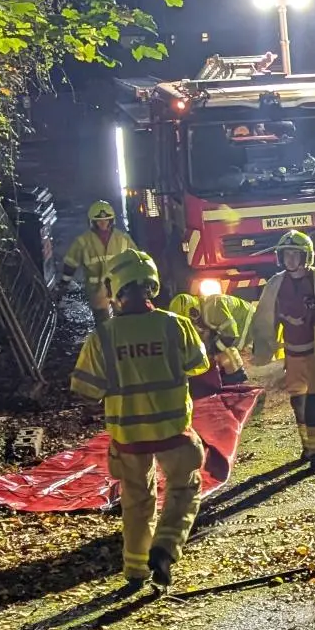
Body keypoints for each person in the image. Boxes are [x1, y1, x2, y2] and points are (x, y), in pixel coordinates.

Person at [69, 248, 211, 590]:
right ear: (151, 285)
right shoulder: (176, 325)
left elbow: (86, 390)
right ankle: (165, 547)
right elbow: (199, 365)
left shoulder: (103, 336)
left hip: (128, 437)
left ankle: (135, 570)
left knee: (136, 501)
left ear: (115, 288)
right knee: (185, 487)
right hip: (174, 431)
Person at [242, 231, 315, 471]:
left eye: (295, 255)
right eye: (286, 255)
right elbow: (264, 318)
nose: (290, 260)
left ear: (306, 257)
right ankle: (308, 446)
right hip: (293, 357)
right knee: (299, 404)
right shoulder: (275, 284)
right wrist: (258, 346)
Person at [61, 200, 136, 324]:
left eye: (106, 220)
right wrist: (63, 284)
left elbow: (135, 259)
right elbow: (71, 263)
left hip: (120, 290)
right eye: (99, 221)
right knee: (103, 326)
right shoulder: (83, 242)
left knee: (124, 322)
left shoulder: (123, 238)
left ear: (111, 221)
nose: (103, 223)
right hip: (97, 292)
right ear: (92, 222)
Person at [198, 292, 254, 381]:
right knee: (218, 343)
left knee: (220, 344)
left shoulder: (211, 309)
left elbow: (230, 335)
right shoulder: (205, 308)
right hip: (242, 320)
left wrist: (213, 350)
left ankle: (236, 374)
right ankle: (232, 372)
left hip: (247, 321)